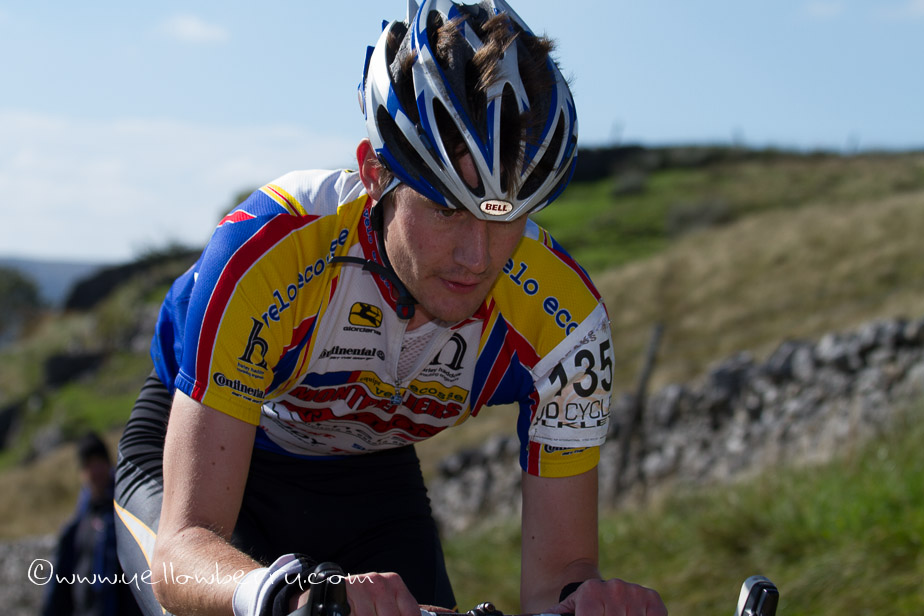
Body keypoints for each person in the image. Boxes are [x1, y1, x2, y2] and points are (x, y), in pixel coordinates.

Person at [113, 1, 667, 615]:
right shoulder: (274, 250)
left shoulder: (566, 324)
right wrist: (286, 598)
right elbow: (183, 551)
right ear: (375, 174)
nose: (477, 257)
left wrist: (586, 603)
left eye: (508, 215)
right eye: (447, 209)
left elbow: (556, 584)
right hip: (207, 450)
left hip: (369, 473)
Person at [42, 432, 143, 616]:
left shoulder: (129, 517)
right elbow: (58, 589)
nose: (95, 471)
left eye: (99, 462)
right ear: (82, 472)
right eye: (89, 465)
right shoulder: (75, 529)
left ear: (109, 464)